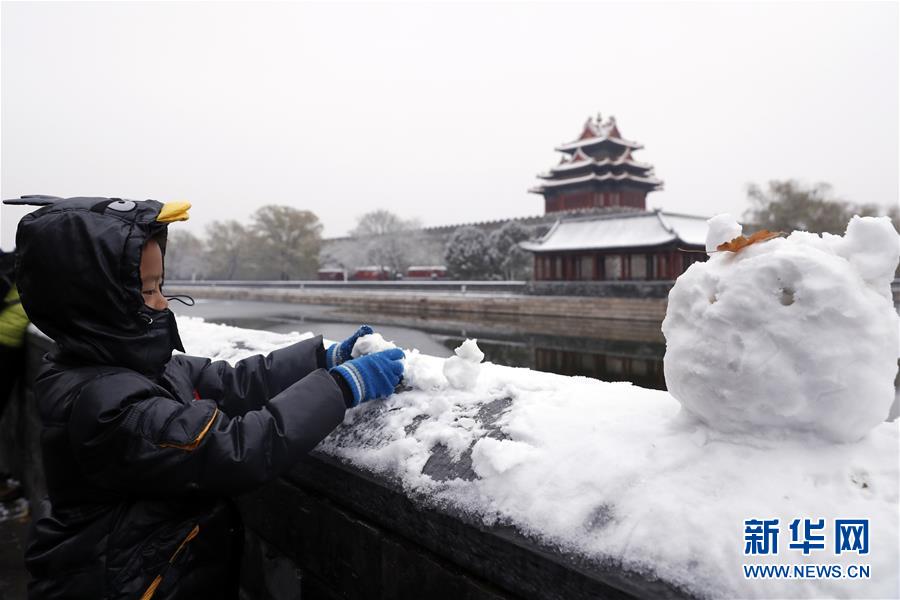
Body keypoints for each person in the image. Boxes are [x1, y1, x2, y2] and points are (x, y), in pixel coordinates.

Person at [6, 195, 405, 599]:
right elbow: (237, 449)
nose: (162, 303)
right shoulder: (109, 408)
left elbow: (231, 382)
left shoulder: (135, 364)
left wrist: (320, 358)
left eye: (161, 286)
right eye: (146, 292)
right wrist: (339, 386)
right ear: (91, 307)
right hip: (123, 584)